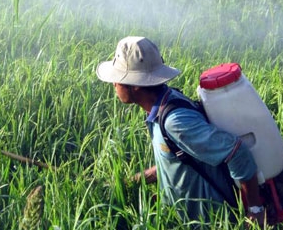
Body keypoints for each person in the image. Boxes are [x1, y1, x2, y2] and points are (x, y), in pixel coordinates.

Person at [96, 36, 266, 226]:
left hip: (211, 221)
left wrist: (254, 210)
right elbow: (176, 159)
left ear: (135, 85)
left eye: (117, 80)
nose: (114, 85)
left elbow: (236, 151)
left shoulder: (175, 122)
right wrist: (132, 182)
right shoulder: (164, 103)